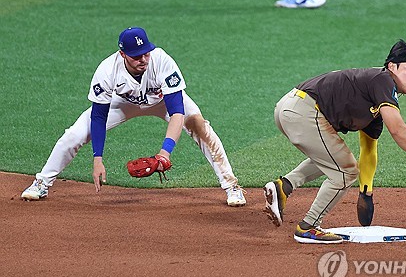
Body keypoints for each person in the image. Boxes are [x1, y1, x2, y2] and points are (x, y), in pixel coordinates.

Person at [21, 27, 246, 207]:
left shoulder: (162, 61)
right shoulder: (107, 71)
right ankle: (42, 182)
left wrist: (164, 153)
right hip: (123, 104)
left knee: (199, 126)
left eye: (146, 53)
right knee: (74, 135)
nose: (143, 59)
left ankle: (231, 186)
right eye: (137, 56)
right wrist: (97, 159)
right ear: (122, 54)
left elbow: (177, 110)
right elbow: (98, 117)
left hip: (161, 102)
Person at [263, 40, 406, 244]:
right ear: (392, 66)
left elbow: (369, 149)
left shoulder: (376, 101)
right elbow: (398, 129)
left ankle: (283, 187)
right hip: (304, 111)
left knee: (335, 158)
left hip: (289, 108)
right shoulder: (383, 80)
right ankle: (309, 227)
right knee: (345, 171)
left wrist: (366, 191)